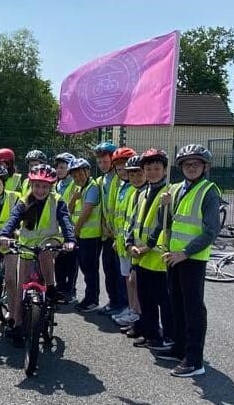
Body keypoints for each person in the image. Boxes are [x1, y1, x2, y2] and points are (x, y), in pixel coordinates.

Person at [153, 144, 221, 378]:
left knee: (193, 309)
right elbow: (167, 222)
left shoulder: (209, 191)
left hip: (192, 259)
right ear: (180, 166)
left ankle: (194, 359)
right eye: (187, 164)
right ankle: (179, 348)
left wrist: (185, 252)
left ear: (204, 167)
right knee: (177, 305)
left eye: (196, 163)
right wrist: (163, 207)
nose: (191, 167)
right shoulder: (174, 188)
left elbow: (211, 231)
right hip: (174, 258)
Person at [0, 164, 76, 346]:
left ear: (51, 187)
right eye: (37, 186)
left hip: (50, 241)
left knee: (45, 252)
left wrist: (70, 240)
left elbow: (65, 220)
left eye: (45, 186)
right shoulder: (24, 201)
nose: (40, 190)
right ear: (31, 185)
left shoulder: (57, 200)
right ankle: (17, 324)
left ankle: (50, 288)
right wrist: (4, 234)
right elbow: (13, 219)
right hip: (27, 246)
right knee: (21, 286)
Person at [124, 149, 172, 354]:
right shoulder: (142, 193)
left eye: (157, 168)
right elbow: (134, 221)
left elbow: (162, 224)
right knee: (146, 299)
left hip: (157, 258)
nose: (152, 172)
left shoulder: (168, 193)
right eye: (149, 169)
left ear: (164, 170)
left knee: (164, 301)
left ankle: (168, 336)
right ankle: (151, 333)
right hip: (140, 256)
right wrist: (129, 243)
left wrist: (148, 245)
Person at [111, 155, 144, 328]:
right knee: (128, 279)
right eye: (132, 174)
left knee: (134, 280)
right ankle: (132, 309)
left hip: (140, 247)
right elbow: (125, 219)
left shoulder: (138, 191)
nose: (135, 178)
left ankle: (137, 312)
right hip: (125, 242)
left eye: (139, 174)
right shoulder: (126, 189)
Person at [67, 157, 103, 312]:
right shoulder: (80, 189)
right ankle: (88, 297)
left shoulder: (92, 187)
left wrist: (75, 230)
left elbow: (87, 211)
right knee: (85, 267)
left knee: (90, 269)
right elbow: (68, 210)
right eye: (74, 176)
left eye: (80, 174)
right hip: (82, 235)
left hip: (90, 236)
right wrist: (74, 198)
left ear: (87, 172)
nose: (77, 178)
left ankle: (92, 299)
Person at [95, 142, 127, 316]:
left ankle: (122, 304)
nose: (102, 165)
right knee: (108, 269)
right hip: (107, 234)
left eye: (105, 161)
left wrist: (114, 230)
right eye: (99, 162)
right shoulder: (101, 180)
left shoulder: (119, 179)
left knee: (120, 271)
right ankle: (113, 301)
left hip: (119, 234)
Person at [53, 152, 79, 303]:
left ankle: (71, 290)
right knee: (59, 261)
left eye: (62, 167)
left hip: (71, 229)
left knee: (71, 262)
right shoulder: (57, 184)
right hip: (58, 231)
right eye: (58, 167)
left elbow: (68, 210)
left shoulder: (75, 185)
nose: (59, 170)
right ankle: (60, 287)